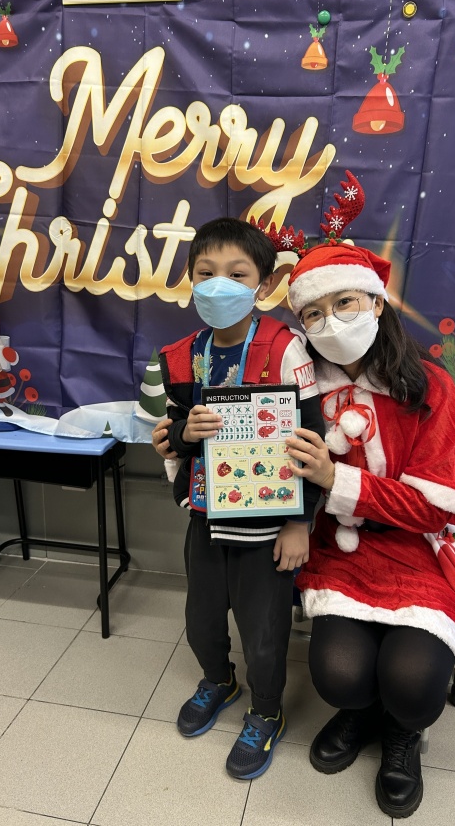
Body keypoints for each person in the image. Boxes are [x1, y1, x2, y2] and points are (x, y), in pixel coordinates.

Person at [282, 239, 455, 818]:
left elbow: (437, 508)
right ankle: (361, 713)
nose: (331, 322)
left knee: (412, 682)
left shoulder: (431, 387)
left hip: (420, 555)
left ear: (377, 303)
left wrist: (337, 479)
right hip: (343, 553)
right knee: (339, 676)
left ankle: (402, 732)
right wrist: (189, 441)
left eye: (345, 302)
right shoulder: (301, 390)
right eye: (313, 312)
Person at [156, 217, 324, 781]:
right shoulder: (182, 356)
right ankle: (218, 680)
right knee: (201, 620)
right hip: (205, 516)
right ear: (190, 279)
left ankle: (266, 711)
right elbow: (174, 434)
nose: (218, 285)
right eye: (205, 273)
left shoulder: (286, 349)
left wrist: (299, 522)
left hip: (268, 526)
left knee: (264, 633)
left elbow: (312, 438)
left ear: (263, 284)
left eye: (236, 274)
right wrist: (183, 434)